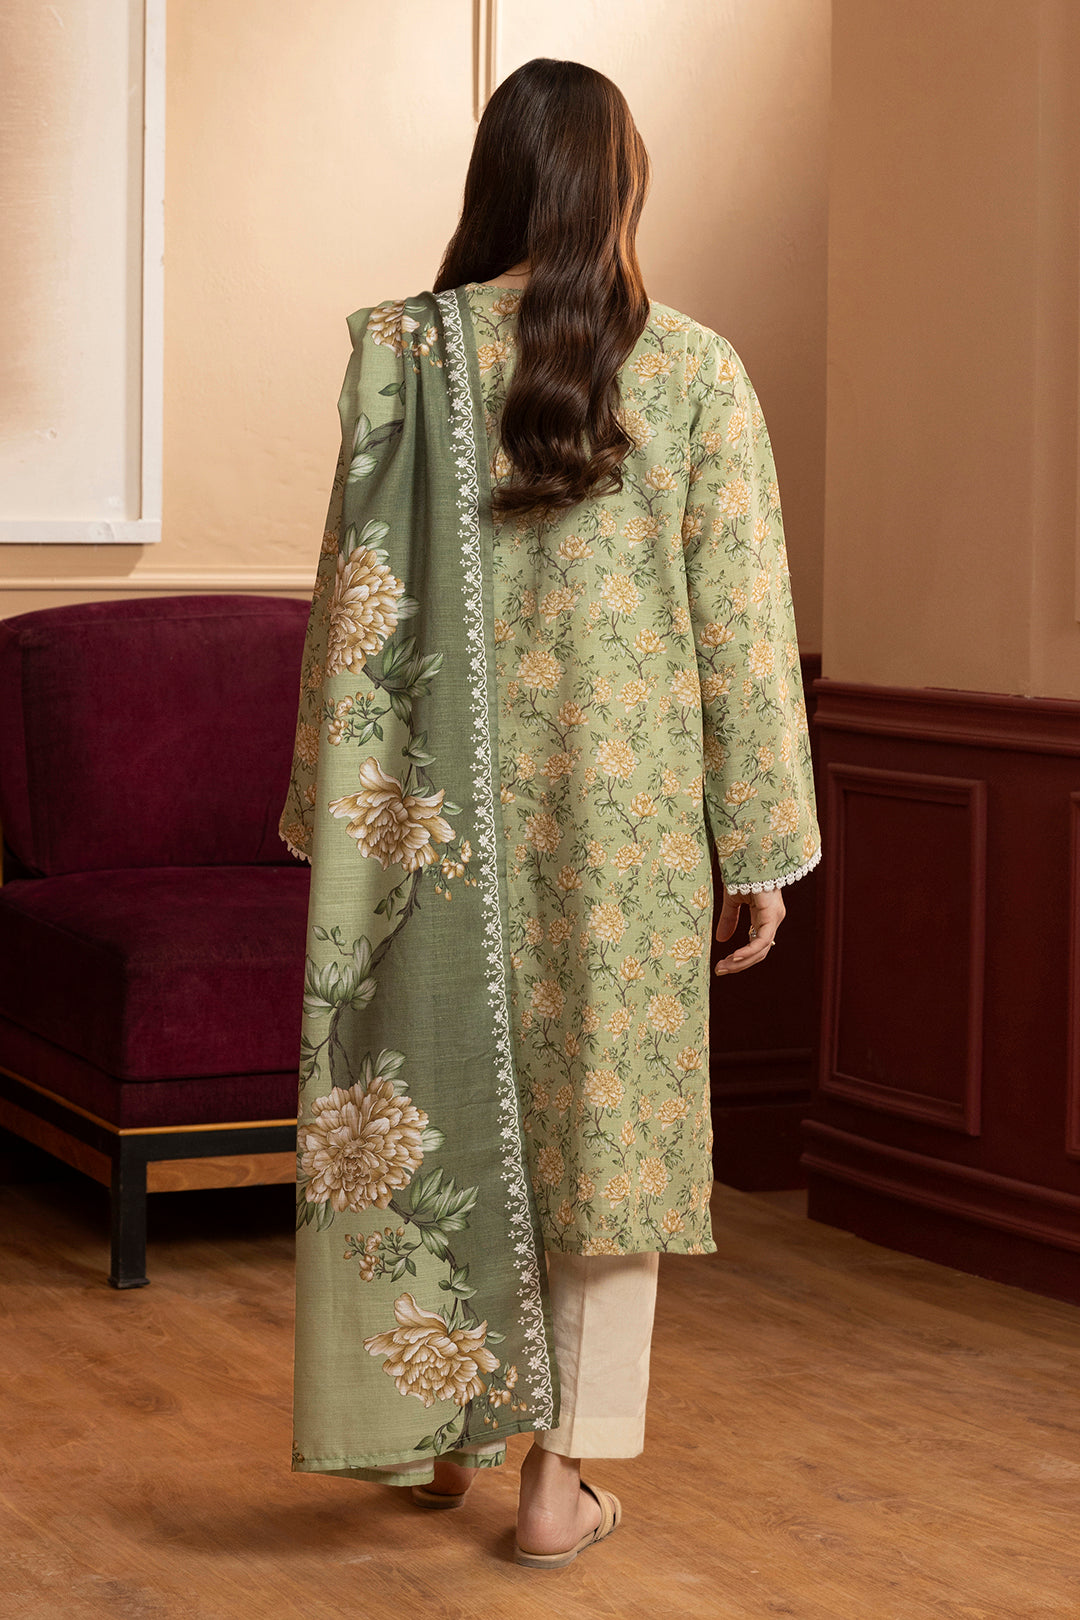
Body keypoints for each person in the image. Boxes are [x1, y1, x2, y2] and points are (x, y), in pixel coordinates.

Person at [279, 56, 820, 1571]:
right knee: (604, 1139)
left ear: (496, 181)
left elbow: (349, 602)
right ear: (621, 183)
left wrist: (328, 813)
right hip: (621, 837)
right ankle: (554, 1481)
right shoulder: (694, 371)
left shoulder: (406, 357)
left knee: (441, 1105)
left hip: (431, 826)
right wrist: (761, 844)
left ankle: (434, 1435)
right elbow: (741, 630)